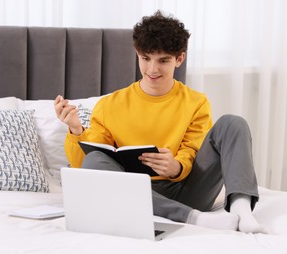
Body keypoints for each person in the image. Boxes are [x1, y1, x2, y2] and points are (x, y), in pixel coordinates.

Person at [55, 10, 265, 233]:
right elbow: (86, 168)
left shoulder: (196, 102)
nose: (152, 69)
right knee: (95, 159)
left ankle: (242, 210)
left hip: (187, 191)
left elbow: (192, 150)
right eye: (146, 58)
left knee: (233, 123)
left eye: (163, 60)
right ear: (137, 54)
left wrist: (176, 167)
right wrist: (76, 130)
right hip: (133, 193)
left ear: (179, 58)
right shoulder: (110, 105)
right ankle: (193, 218)